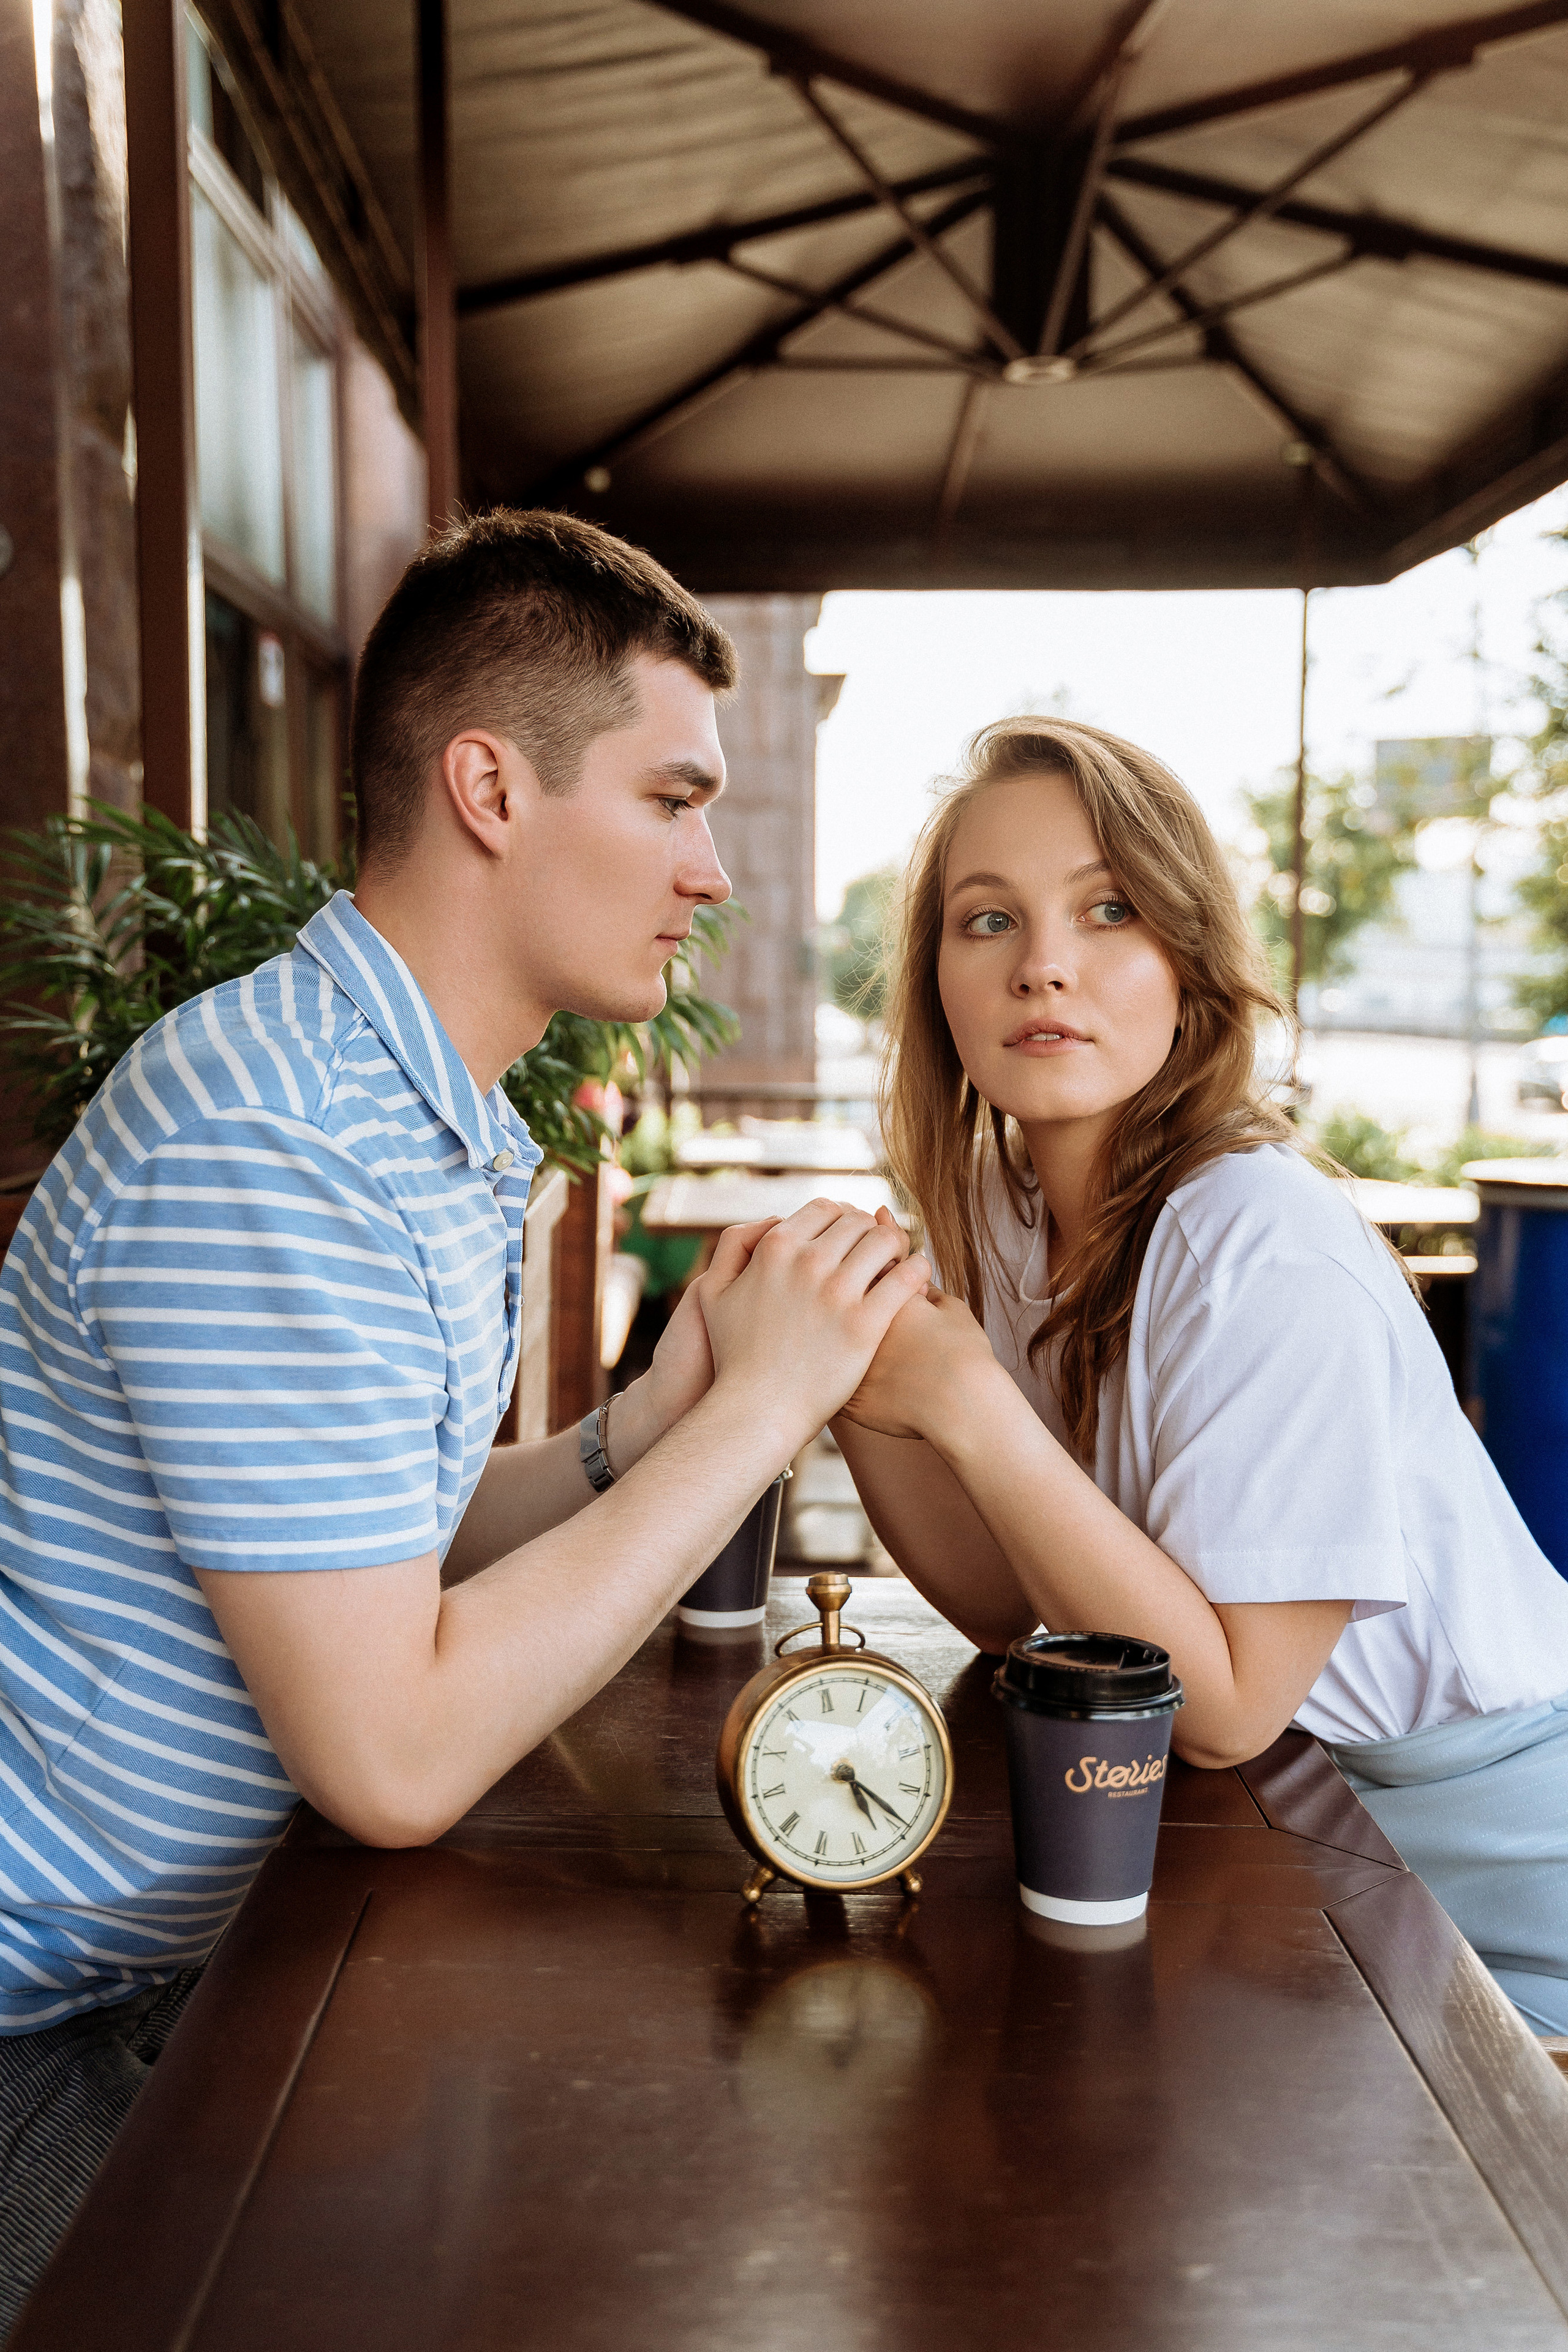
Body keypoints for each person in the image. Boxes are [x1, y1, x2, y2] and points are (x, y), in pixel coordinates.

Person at [0, 509, 929, 2332]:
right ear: (491, 788)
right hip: (46, 2020)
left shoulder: (406, 1113)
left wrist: (643, 1423)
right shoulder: (273, 1142)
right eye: (673, 801)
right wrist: (765, 1413)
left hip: (194, 1959)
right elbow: (396, 1758)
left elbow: (382, 1556)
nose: (712, 871)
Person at [835, 715, 1568, 2036]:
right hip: (1274, 1863)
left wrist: (960, 1403)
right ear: (934, 981)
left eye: (1106, 909)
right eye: (984, 920)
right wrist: (854, 1370)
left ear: (1188, 960)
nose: (1042, 967)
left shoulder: (1258, 1237)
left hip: (1498, 1904)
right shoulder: (1004, 1216)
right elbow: (1034, 1621)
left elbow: (1220, 1706)